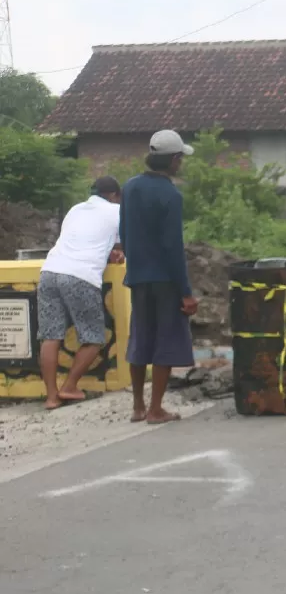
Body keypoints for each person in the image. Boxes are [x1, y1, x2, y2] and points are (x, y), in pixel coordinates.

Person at [120, 130, 199, 424]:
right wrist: (186, 292)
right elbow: (172, 248)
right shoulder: (171, 195)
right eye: (180, 159)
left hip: (138, 276)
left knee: (141, 338)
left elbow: (125, 234)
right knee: (165, 340)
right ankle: (156, 409)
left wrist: (134, 266)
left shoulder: (129, 188)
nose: (181, 164)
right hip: (165, 279)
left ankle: (138, 406)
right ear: (173, 160)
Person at [37, 176, 124, 410]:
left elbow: (81, 241)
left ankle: (51, 397)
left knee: (50, 336)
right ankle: (70, 386)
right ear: (115, 195)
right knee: (94, 337)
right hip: (80, 276)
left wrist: (106, 253)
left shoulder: (76, 209)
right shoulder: (117, 212)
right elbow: (124, 245)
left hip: (50, 271)